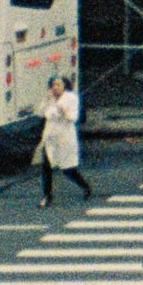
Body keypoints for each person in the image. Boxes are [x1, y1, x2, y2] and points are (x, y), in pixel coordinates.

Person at [37, 73, 91, 205]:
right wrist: (46, 100)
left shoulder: (71, 98)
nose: (55, 88)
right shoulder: (50, 98)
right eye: (53, 85)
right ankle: (47, 196)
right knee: (46, 168)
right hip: (50, 138)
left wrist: (62, 111)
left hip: (64, 138)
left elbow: (73, 118)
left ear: (64, 86)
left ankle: (85, 186)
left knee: (67, 169)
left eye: (58, 85)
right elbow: (40, 113)